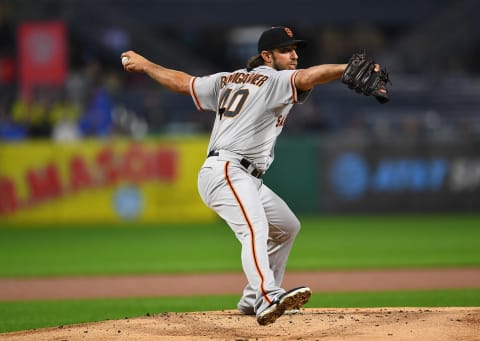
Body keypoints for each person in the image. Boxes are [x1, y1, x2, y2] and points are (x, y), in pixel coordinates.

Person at [121, 26, 351, 326]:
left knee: (286, 226)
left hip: (242, 175)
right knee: (254, 229)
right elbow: (308, 77)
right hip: (228, 170)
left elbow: (182, 83)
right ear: (267, 56)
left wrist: (146, 65)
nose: (294, 55)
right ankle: (268, 296)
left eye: (296, 49)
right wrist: (346, 69)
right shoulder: (274, 79)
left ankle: (251, 299)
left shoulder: (228, 78)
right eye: (286, 50)